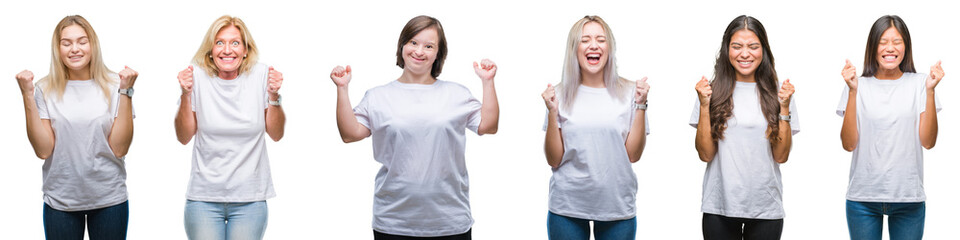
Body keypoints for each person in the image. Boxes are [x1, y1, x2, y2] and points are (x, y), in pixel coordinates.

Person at [330, 15, 499, 239]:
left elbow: (489, 125)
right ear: (402, 46)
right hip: (393, 221)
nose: (419, 51)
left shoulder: (457, 94)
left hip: (449, 221)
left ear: (438, 54)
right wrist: (342, 89)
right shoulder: (378, 96)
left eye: (429, 46)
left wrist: (488, 82)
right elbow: (350, 134)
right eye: (413, 42)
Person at [16, 15, 137, 240]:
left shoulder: (114, 85)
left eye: (82, 41)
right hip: (61, 201)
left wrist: (126, 91)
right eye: (67, 43)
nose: (75, 49)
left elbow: (120, 148)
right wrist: (27, 95)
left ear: (93, 45)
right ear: (58, 48)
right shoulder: (45, 88)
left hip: (109, 199)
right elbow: (43, 150)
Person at [174, 15, 286, 240]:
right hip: (203, 199)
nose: (227, 50)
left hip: (250, 199)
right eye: (219, 42)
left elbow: (276, 134)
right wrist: (185, 94)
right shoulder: (196, 77)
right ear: (210, 49)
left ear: (246, 49)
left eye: (235, 43)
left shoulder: (261, 75)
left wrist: (274, 96)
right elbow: (183, 136)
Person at [540, 15, 650, 240]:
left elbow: (633, 154)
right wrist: (552, 112)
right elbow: (553, 159)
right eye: (585, 40)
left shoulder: (631, 92)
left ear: (609, 48)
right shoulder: (559, 94)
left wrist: (641, 104)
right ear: (574, 49)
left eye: (601, 39)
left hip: (616, 206)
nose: (593, 45)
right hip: (567, 206)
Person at [691, 15, 798, 240]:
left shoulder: (780, 93)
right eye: (737, 46)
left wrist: (785, 107)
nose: (745, 54)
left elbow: (781, 156)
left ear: (764, 50)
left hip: (766, 208)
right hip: (719, 206)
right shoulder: (710, 91)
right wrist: (703, 105)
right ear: (727, 50)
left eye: (753, 46)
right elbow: (705, 154)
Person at [838, 15, 943, 240]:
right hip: (863, 199)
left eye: (897, 42)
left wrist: (931, 91)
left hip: (908, 198)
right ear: (873, 46)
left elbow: (928, 141)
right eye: (883, 42)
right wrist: (852, 91)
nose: (890, 48)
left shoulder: (921, 84)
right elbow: (848, 144)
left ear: (906, 46)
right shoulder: (857, 84)